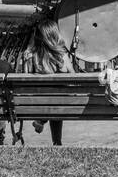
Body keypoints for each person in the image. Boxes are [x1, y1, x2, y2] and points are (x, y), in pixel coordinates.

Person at [16, 13, 75, 145]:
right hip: (59, 103)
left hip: (36, 102)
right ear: (56, 36)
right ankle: (56, 140)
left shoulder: (29, 56)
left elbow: (24, 83)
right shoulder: (62, 56)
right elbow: (74, 78)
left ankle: (41, 119)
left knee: (49, 100)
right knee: (56, 100)